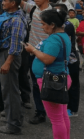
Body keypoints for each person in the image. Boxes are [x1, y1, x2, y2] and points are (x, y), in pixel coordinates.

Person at [24, 9, 72, 139]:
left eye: (44, 24)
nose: (42, 27)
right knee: (62, 115)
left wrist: (33, 49)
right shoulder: (63, 35)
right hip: (60, 78)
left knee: (56, 119)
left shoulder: (54, 39)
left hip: (51, 81)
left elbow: (47, 59)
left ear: (52, 24)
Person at [16, 0, 52, 124]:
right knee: (37, 84)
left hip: (48, 54)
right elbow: (19, 0)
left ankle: (55, 111)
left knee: (51, 83)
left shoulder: (53, 12)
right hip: (33, 54)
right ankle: (40, 112)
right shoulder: (32, 9)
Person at [0, 0, 27, 135]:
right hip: (3, 53)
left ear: (13, 3)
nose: (2, 2)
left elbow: (16, 44)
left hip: (9, 56)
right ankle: (14, 116)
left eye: (5, 0)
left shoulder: (17, 20)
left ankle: (13, 125)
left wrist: (7, 62)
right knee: (9, 88)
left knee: (10, 90)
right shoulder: (10, 15)